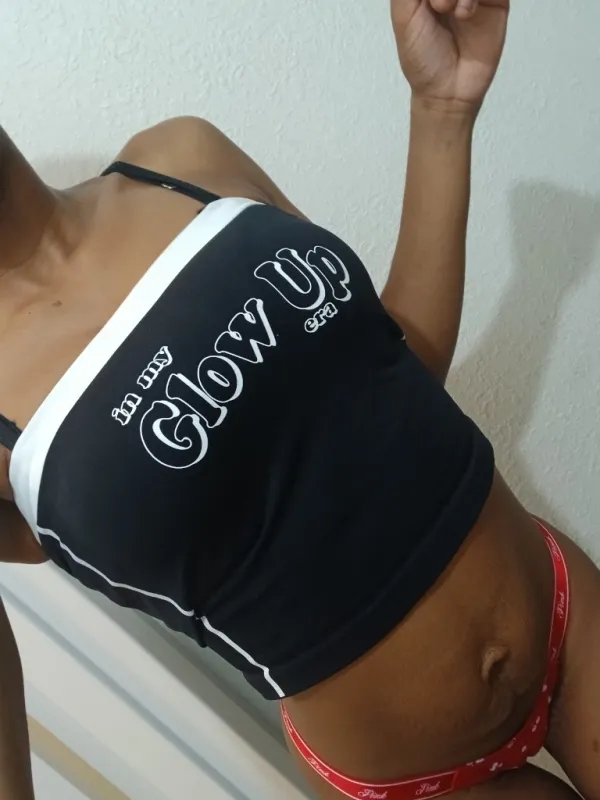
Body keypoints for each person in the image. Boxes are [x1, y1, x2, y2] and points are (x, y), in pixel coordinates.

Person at [0, 0, 598, 797]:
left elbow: (398, 366)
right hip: (424, 775)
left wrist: (442, 110)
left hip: (563, 609)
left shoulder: (181, 159)